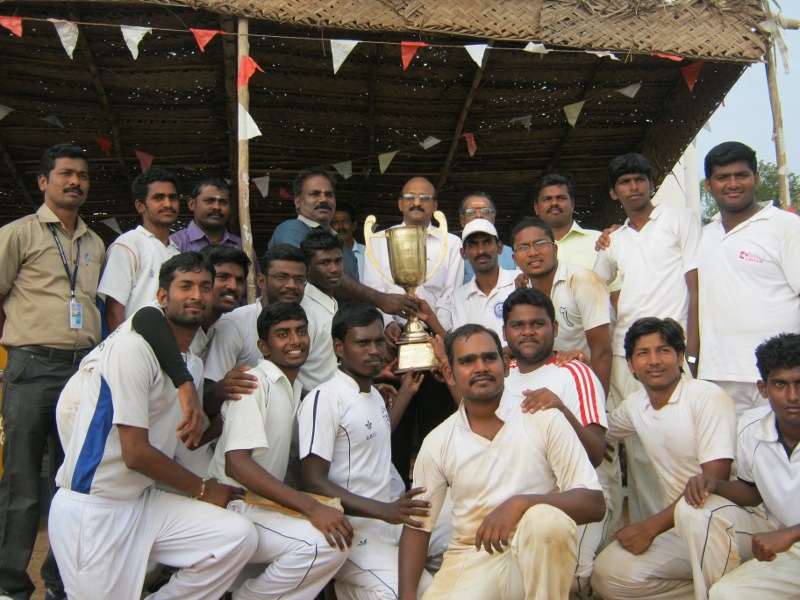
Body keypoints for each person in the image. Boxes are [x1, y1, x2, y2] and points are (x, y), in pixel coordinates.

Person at [49, 253, 258, 599]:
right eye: (185, 286)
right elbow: (136, 454)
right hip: (95, 508)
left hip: (142, 502)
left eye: (205, 287)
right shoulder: (133, 346)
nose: (197, 296)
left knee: (237, 536)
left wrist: (229, 415)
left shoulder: (190, 361)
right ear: (162, 297)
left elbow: (184, 442)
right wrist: (204, 489)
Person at [398, 324, 605, 600]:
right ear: (449, 372)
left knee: (545, 521)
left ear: (506, 366)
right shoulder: (438, 442)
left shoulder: (543, 417)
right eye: (467, 361)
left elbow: (594, 503)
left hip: (535, 557)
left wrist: (520, 504)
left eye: (490, 358)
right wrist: (407, 595)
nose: (481, 367)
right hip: (472, 557)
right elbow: (417, 527)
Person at [590, 317, 771, 600]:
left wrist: (650, 527)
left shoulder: (706, 397)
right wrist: (568, 388)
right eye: (643, 353)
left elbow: (713, 483)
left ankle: (720, 589)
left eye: (663, 350)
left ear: (679, 357)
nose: (654, 361)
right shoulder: (636, 406)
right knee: (608, 575)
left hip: (735, 522)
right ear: (630, 365)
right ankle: (721, 589)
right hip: (682, 526)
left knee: (697, 512)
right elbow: (596, 436)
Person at [0, 144, 105, 600]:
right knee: (22, 483)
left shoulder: (96, 241)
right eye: (65, 174)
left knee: (74, 483)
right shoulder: (17, 234)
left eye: (81, 175)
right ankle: (9, 586)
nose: (74, 182)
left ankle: (61, 584)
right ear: (44, 181)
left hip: (80, 370)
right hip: (30, 363)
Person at [208, 301, 352, 599]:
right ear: (264, 345)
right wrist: (311, 507)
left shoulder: (296, 388)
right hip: (235, 505)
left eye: (301, 331)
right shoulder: (254, 383)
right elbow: (236, 464)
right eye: (283, 334)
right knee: (327, 543)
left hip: (260, 505)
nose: (295, 340)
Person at [593, 153, 701, 522]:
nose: (633, 187)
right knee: (638, 444)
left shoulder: (679, 219)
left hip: (672, 349)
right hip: (627, 352)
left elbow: (695, 284)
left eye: (640, 179)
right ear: (614, 192)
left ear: (651, 184)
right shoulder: (615, 240)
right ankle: (645, 526)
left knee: (680, 437)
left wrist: (693, 352)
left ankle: (690, 520)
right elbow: (595, 286)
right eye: (625, 182)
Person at [298, 303, 431, 599]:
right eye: (362, 343)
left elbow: (376, 435)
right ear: (339, 347)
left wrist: (406, 392)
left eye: (378, 342)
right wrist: (385, 510)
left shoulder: (371, 392)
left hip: (387, 524)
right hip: (351, 532)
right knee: (405, 593)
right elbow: (313, 481)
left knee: (434, 586)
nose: (374, 350)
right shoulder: (325, 399)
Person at [499, 288, 611, 594]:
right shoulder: (500, 375)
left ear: (555, 329)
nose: (527, 332)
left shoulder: (574, 372)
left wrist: (560, 408)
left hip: (572, 498)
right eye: (517, 325)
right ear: (505, 332)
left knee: (567, 578)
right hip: (512, 496)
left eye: (537, 324)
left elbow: (597, 454)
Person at [363, 176, 464, 486]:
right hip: (393, 353)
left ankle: (440, 495)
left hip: (434, 350)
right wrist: (391, 326)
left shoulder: (451, 243)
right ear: (400, 203)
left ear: (434, 206)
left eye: (425, 197)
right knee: (396, 430)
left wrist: (435, 335)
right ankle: (394, 495)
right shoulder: (378, 242)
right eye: (410, 196)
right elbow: (373, 291)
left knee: (439, 426)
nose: (417, 202)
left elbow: (451, 296)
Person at [686, 333, 800, 599]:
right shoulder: (751, 427)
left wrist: (792, 534)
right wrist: (715, 485)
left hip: (789, 539)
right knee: (725, 594)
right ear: (763, 388)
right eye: (780, 384)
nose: (792, 396)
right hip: (791, 554)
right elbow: (753, 490)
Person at [698, 142, 800, 417]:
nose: (733, 184)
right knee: (728, 458)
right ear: (708, 186)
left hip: (779, 375)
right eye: (722, 177)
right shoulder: (704, 236)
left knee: (781, 456)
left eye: (741, 175)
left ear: (755, 178)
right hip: (717, 373)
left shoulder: (787, 228)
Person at [269, 168, 416, 319]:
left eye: (329, 194)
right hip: (301, 327)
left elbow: (356, 297)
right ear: (298, 201)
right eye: (315, 194)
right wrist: (380, 299)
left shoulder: (344, 249)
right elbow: (324, 277)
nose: (323, 199)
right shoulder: (290, 229)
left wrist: (387, 324)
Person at [511, 216, 612, 393]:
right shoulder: (524, 290)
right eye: (523, 247)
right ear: (514, 258)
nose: (532, 252)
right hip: (556, 385)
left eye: (540, 243)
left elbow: (602, 351)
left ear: (555, 249)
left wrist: (597, 406)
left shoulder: (582, 280)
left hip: (590, 381)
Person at [202, 244, 308, 411]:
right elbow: (209, 394)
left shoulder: (302, 323)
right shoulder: (234, 324)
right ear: (261, 281)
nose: (291, 285)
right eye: (282, 277)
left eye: (299, 279)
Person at [98, 168, 181, 331]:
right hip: (133, 347)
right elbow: (114, 308)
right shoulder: (128, 244)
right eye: (158, 198)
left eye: (173, 197)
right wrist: (121, 351)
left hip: (167, 350)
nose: (168, 204)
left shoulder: (177, 253)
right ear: (140, 206)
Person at [437, 219, 517, 343]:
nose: (481, 251)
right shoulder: (458, 297)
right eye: (473, 244)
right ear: (463, 253)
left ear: (499, 247)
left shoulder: (519, 281)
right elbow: (462, 343)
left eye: (487, 242)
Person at [297, 230, 344, 392]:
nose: (334, 269)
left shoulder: (331, 303)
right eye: (325, 263)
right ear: (307, 268)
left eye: (338, 261)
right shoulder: (305, 310)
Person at [533, 173, 605, 272]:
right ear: (536, 208)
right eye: (547, 199)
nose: (554, 203)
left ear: (573, 204)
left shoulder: (599, 241)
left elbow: (616, 287)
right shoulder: (527, 247)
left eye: (561, 198)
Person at [170, 176, 241, 252]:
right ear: (192, 204)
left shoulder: (241, 246)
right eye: (209, 201)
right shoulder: (175, 244)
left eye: (223, 202)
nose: (217, 207)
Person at [457, 192, 515, 283]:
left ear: (493, 219)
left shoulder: (511, 255)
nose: (479, 215)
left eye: (486, 211)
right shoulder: (453, 254)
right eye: (471, 212)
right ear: (462, 221)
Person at [332, 203, 366, 280]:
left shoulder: (367, 253)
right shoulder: (327, 255)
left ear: (354, 225)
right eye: (336, 222)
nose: (341, 226)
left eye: (345, 221)